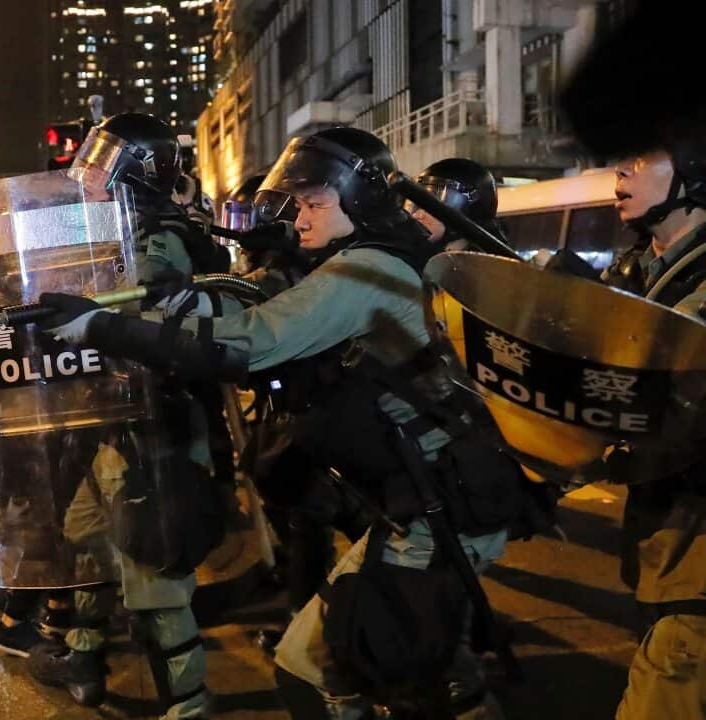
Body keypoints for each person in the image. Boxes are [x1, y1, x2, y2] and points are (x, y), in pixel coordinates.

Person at [40, 127, 518, 719]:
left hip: (435, 510)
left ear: (358, 202)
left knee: (348, 670)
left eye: (316, 203)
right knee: (405, 663)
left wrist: (99, 327)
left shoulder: (365, 269)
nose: (301, 216)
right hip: (423, 501)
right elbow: (254, 306)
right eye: (300, 203)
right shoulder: (367, 259)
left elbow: (250, 342)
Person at [25, 113, 216, 720]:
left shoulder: (158, 238)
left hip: (152, 429)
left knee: (154, 570)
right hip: (104, 422)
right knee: (85, 542)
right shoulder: (111, 231)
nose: (90, 176)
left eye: (106, 164)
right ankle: (84, 654)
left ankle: (187, 703)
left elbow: (147, 321)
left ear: (139, 174)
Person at [594, 146, 706, 720]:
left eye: (637, 162)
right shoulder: (640, 271)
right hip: (665, 523)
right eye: (618, 165)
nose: (620, 177)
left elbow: (669, 371)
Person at [405, 158, 505, 251]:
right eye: (416, 205)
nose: (417, 215)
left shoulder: (490, 266)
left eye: (430, 207)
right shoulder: (418, 255)